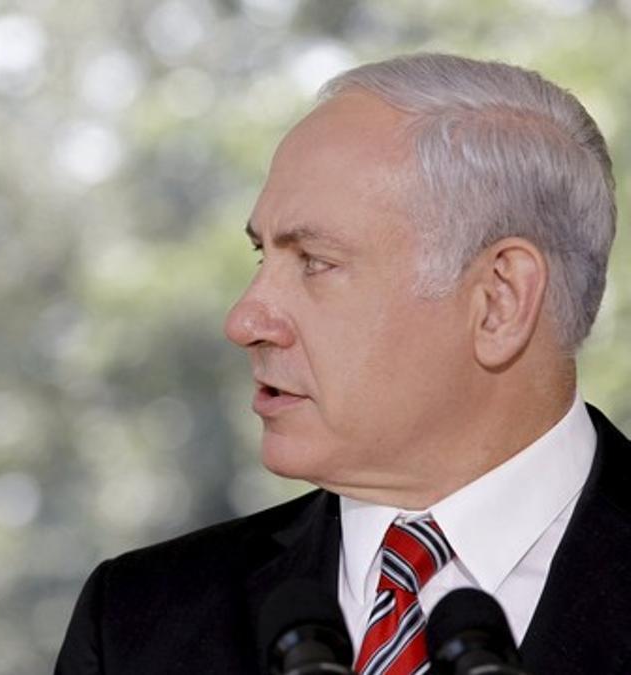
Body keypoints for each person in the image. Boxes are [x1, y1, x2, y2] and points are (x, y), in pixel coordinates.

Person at [56, 53, 626, 674]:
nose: (244, 321)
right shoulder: (135, 621)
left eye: (315, 263)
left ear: (499, 300)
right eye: (261, 257)